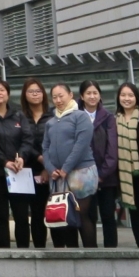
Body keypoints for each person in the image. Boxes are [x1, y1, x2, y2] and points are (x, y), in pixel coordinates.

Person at [42, 83, 97, 248]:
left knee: (81, 215)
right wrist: (50, 168)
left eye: (61, 96)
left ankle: (91, 255)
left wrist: (66, 168)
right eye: (55, 97)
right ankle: (72, 254)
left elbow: (81, 145)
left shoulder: (80, 116)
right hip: (59, 176)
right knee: (66, 217)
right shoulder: (51, 122)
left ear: (70, 95)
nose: (58, 100)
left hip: (81, 173)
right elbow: (45, 148)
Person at [0, 78, 35, 249]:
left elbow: (28, 139)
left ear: (8, 94)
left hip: (19, 172)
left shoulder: (19, 115)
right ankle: (4, 254)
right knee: (0, 216)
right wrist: (4, 161)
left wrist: (21, 157)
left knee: (21, 216)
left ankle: (24, 252)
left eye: (2, 90)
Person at [80, 81, 120, 247]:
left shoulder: (108, 117)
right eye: (88, 93)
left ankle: (112, 252)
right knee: (87, 216)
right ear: (82, 96)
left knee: (108, 215)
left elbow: (112, 148)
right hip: (83, 176)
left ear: (100, 95)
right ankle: (90, 251)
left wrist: (102, 174)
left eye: (95, 93)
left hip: (106, 177)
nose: (92, 96)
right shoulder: (75, 116)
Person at [114, 82, 139, 248]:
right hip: (125, 173)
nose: (126, 99)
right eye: (123, 95)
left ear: (136, 97)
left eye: (130, 95)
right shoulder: (115, 119)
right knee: (134, 212)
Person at [20, 78, 52, 248]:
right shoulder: (20, 116)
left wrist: (48, 166)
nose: (35, 94)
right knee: (36, 212)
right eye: (31, 91)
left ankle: (60, 249)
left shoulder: (53, 114)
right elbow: (23, 141)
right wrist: (39, 158)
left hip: (52, 169)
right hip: (26, 169)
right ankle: (39, 250)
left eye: (38, 91)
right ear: (25, 95)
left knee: (54, 209)